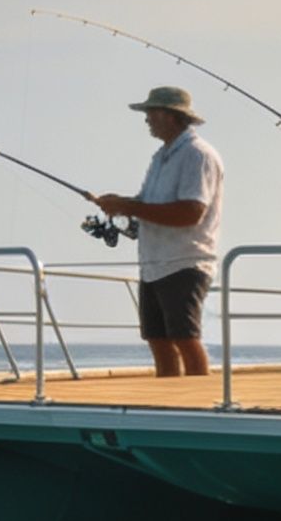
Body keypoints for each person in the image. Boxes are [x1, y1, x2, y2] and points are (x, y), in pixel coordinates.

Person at [92, 85, 223, 378]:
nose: (147, 119)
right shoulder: (160, 157)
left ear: (171, 116)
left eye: (152, 112)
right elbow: (150, 204)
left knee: (185, 338)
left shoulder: (197, 155)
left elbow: (191, 212)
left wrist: (129, 207)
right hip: (154, 264)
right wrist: (121, 204)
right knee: (158, 340)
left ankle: (197, 402)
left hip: (184, 261)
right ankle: (171, 398)